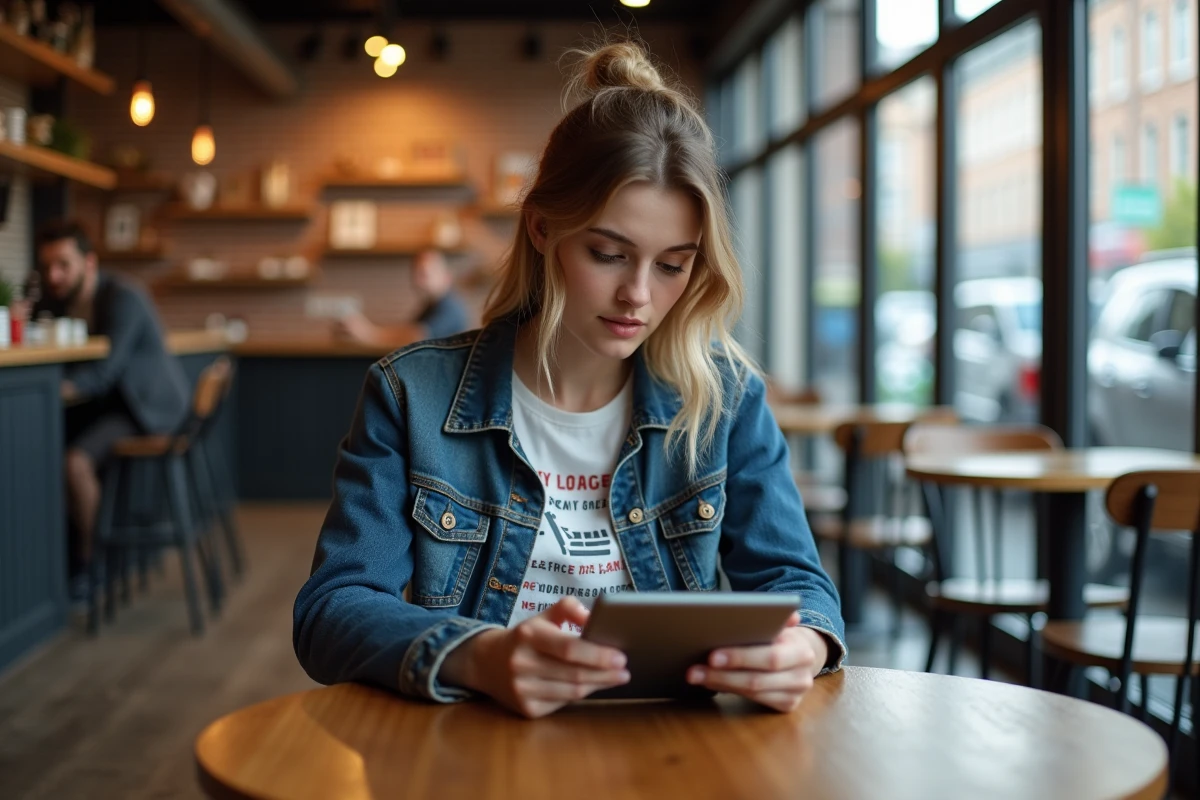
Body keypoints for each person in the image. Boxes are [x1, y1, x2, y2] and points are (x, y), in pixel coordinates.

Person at [294, 41, 844, 719]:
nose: (638, 295)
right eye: (609, 254)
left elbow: (795, 582)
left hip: (672, 752)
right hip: (481, 748)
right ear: (541, 229)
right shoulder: (412, 394)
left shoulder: (726, 400)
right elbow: (331, 610)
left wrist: (808, 645)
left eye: (673, 265)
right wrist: (478, 655)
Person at [31, 220, 189, 577]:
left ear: (89, 263)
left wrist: (45, 394)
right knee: (56, 443)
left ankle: (93, 566)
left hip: (150, 410)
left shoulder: (123, 296)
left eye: (63, 265)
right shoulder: (58, 301)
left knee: (75, 462)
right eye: (47, 267)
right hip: (118, 406)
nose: (54, 276)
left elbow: (104, 374)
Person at [332, 248, 470, 347]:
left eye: (424, 274)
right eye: (415, 274)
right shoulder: (431, 306)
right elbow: (408, 329)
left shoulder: (451, 308)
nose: (418, 281)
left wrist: (368, 332)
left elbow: (415, 336)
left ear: (446, 277)